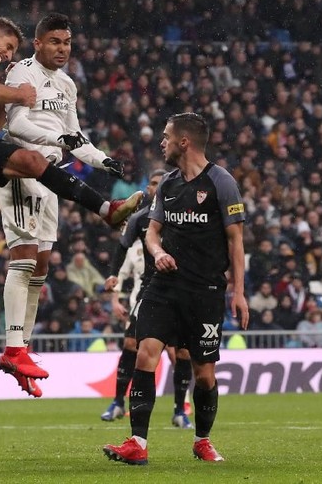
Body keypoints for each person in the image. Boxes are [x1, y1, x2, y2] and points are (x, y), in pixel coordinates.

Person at [0, 16, 142, 344]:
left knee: (31, 160)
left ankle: (106, 209)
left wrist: (5, 96)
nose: (7, 56)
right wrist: (18, 92)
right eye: (6, 48)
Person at [0, 13, 127, 397]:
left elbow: (75, 134)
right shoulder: (22, 73)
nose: (62, 48)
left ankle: (23, 352)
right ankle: (13, 347)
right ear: (37, 43)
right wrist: (63, 142)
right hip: (21, 167)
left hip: (52, 174)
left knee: (43, 264)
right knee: (25, 255)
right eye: (54, 41)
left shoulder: (67, 84)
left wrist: (101, 160)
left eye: (66, 42)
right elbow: (15, 125)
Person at [103, 112, 248, 465]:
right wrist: (158, 252)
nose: (162, 142)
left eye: (167, 137)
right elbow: (151, 233)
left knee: (204, 372)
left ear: (184, 142)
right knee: (145, 353)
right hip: (163, 286)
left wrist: (239, 293)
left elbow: (236, 241)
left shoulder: (222, 182)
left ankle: (202, 440)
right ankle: (137, 442)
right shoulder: (167, 184)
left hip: (205, 290)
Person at [99, 169, 194, 429]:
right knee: (131, 344)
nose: (155, 187)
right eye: (152, 183)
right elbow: (121, 246)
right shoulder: (140, 219)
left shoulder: (184, 214)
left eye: (160, 183)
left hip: (183, 290)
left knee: (183, 352)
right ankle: (118, 401)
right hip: (151, 290)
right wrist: (113, 275)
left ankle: (179, 410)